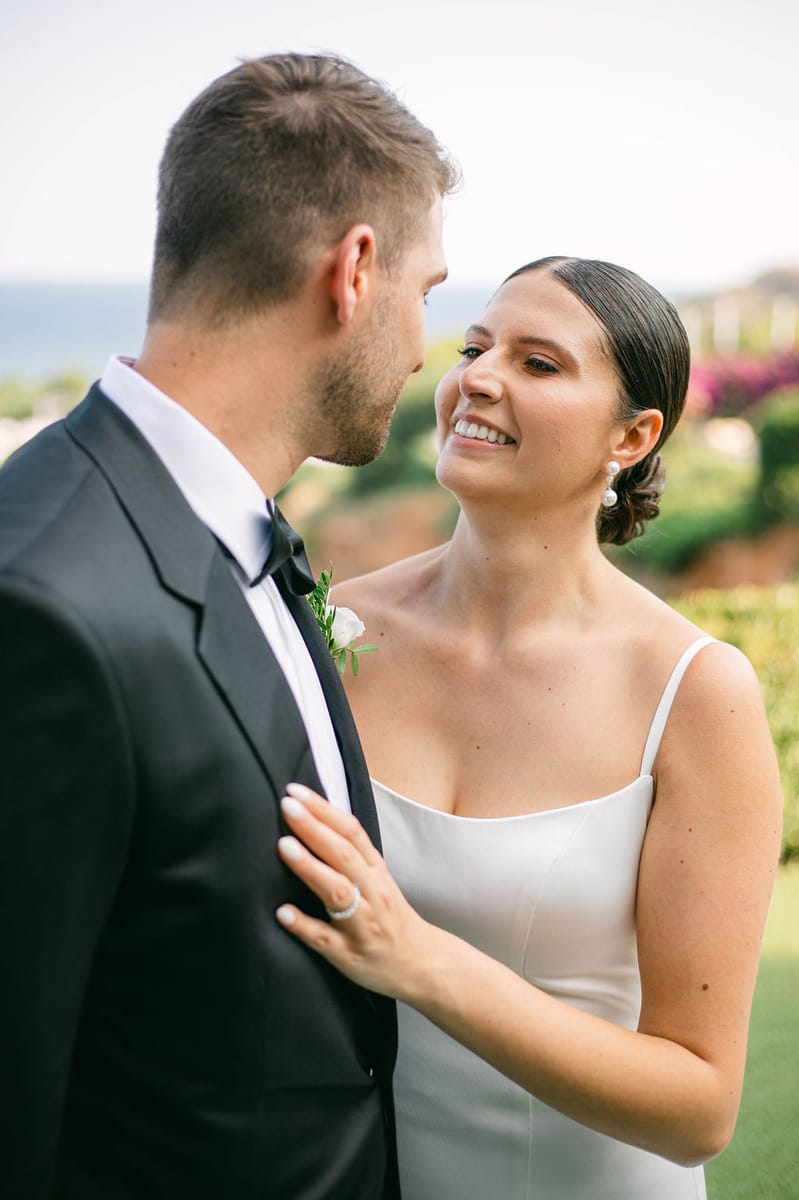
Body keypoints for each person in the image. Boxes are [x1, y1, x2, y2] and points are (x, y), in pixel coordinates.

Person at [0, 53, 455, 1199]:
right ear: (354, 272)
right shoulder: (38, 603)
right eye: (427, 292)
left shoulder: (236, 521)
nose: (422, 347)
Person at [273, 256, 783, 1199]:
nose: (478, 378)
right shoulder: (330, 629)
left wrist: (421, 961)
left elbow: (699, 1109)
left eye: (538, 363)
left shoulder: (693, 693)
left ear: (632, 436)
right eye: (475, 348)